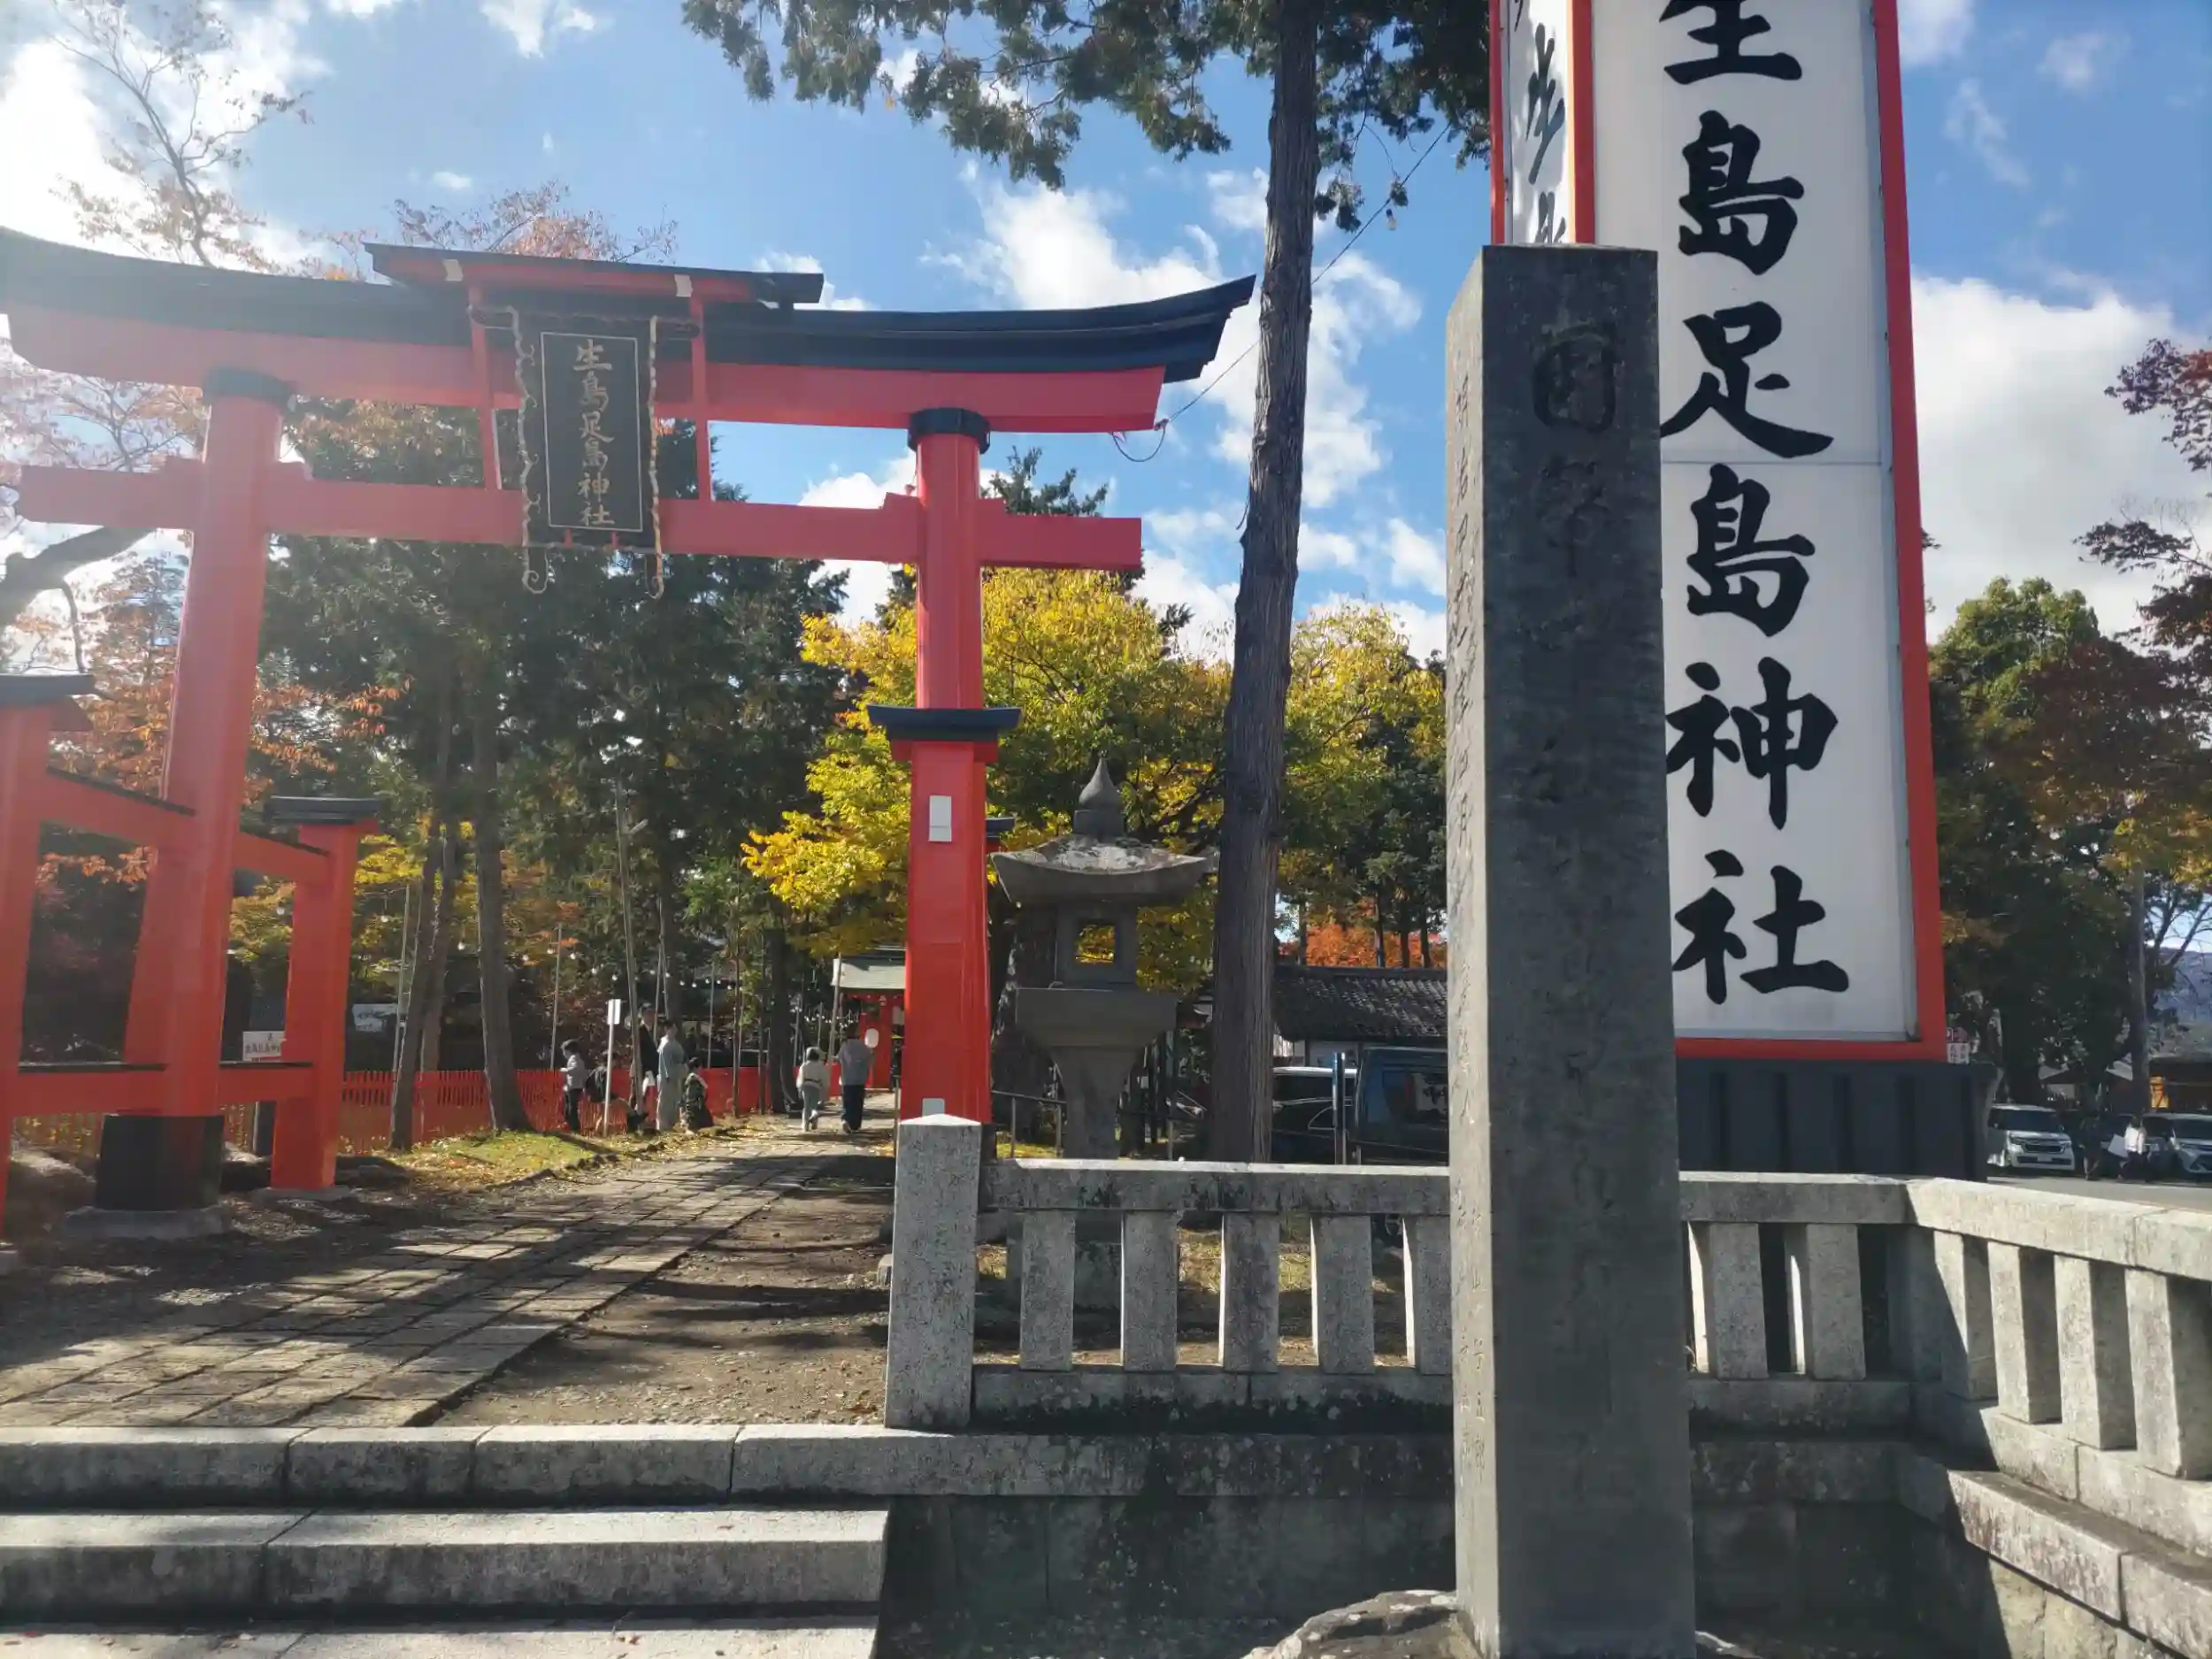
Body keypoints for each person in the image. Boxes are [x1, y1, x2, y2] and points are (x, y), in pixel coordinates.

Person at [836, 1027, 872, 1136]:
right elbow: (869, 1059)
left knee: (847, 1102)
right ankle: (855, 1125)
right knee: (858, 1103)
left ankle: (845, 1119)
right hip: (860, 1079)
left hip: (847, 1079)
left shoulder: (844, 1046)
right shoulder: (863, 1047)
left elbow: (839, 1060)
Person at [656, 1018, 687, 1133]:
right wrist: (669, 1075)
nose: (674, 1031)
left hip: (676, 1075)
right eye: (671, 1029)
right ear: (666, 1029)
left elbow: (681, 1058)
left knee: (675, 1101)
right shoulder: (664, 1044)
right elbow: (665, 1063)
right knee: (665, 1102)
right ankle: (663, 1125)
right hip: (666, 1077)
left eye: (675, 1028)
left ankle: (672, 1123)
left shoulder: (675, 1043)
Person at [796, 1046, 829, 1133]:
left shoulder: (804, 1066)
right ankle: (814, 1119)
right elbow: (824, 1078)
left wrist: (800, 1088)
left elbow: (800, 1078)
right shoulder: (820, 1066)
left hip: (806, 1086)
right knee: (814, 1106)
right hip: (816, 1086)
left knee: (806, 1106)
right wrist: (825, 1087)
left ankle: (805, 1125)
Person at [559, 1040, 586, 1133]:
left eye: (564, 1051)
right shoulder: (576, 1058)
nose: (563, 1054)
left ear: (568, 1051)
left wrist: (565, 1070)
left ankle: (574, 1126)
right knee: (568, 1106)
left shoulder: (574, 1058)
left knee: (572, 1107)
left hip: (574, 1087)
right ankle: (568, 1124)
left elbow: (576, 1069)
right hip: (572, 1086)